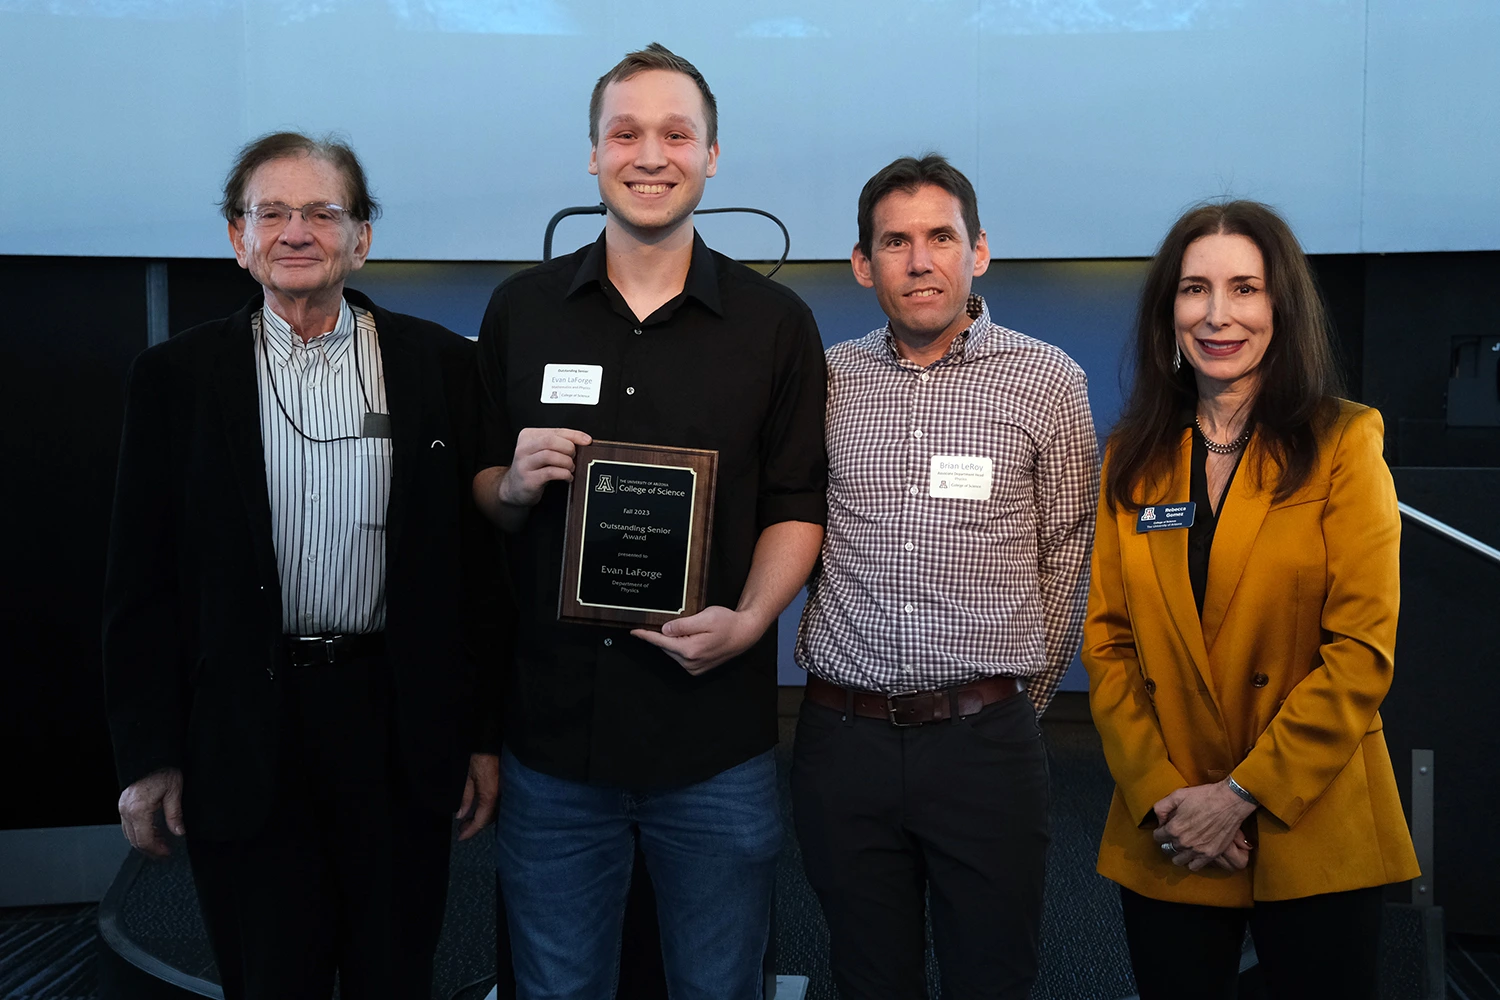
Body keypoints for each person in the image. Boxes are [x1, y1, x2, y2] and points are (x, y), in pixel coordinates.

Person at [103, 131, 503, 1000]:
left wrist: (480, 734)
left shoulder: (443, 366)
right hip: (245, 728)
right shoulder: (174, 378)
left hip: (395, 723)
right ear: (236, 238)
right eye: (270, 212)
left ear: (362, 237)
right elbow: (138, 585)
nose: (296, 231)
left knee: (393, 975)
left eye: (323, 211)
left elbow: (475, 572)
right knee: (269, 977)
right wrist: (147, 755)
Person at [471, 43, 828, 1000]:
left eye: (677, 133)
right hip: (552, 746)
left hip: (713, 742)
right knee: (555, 991)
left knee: (719, 988)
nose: (650, 154)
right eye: (625, 132)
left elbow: (798, 502)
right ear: (592, 154)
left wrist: (751, 623)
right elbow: (479, 486)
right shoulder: (520, 311)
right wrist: (511, 486)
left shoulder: (775, 324)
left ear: (714, 156)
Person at [1082, 200, 1420, 999]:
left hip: (1310, 815)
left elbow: (1360, 654)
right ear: (1170, 309)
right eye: (1195, 289)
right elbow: (1108, 642)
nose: (1219, 314)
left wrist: (1237, 797)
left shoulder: (1344, 441)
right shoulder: (1132, 457)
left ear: (1282, 307)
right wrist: (1171, 798)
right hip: (1170, 826)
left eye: (1246, 288)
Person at [792, 154, 1099, 1000]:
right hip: (840, 740)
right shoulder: (824, 382)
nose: (919, 260)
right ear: (862, 264)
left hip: (984, 745)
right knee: (865, 976)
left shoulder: (1048, 379)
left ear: (980, 251)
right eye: (895, 241)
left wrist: (1006, 711)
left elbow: (1066, 558)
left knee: (992, 978)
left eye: (940, 237)